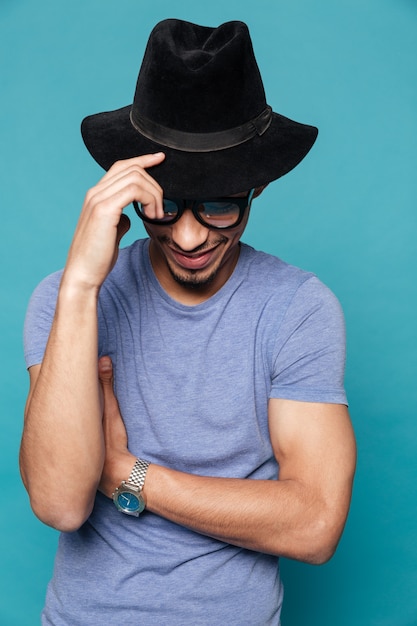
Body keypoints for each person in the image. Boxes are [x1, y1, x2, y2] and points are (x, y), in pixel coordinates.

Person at [20, 18, 356, 626]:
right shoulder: (66, 300)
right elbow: (60, 500)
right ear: (131, 191)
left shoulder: (300, 309)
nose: (191, 234)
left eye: (220, 202)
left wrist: (127, 474)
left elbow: (315, 525)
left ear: (256, 187)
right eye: (166, 203)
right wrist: (79, 285)